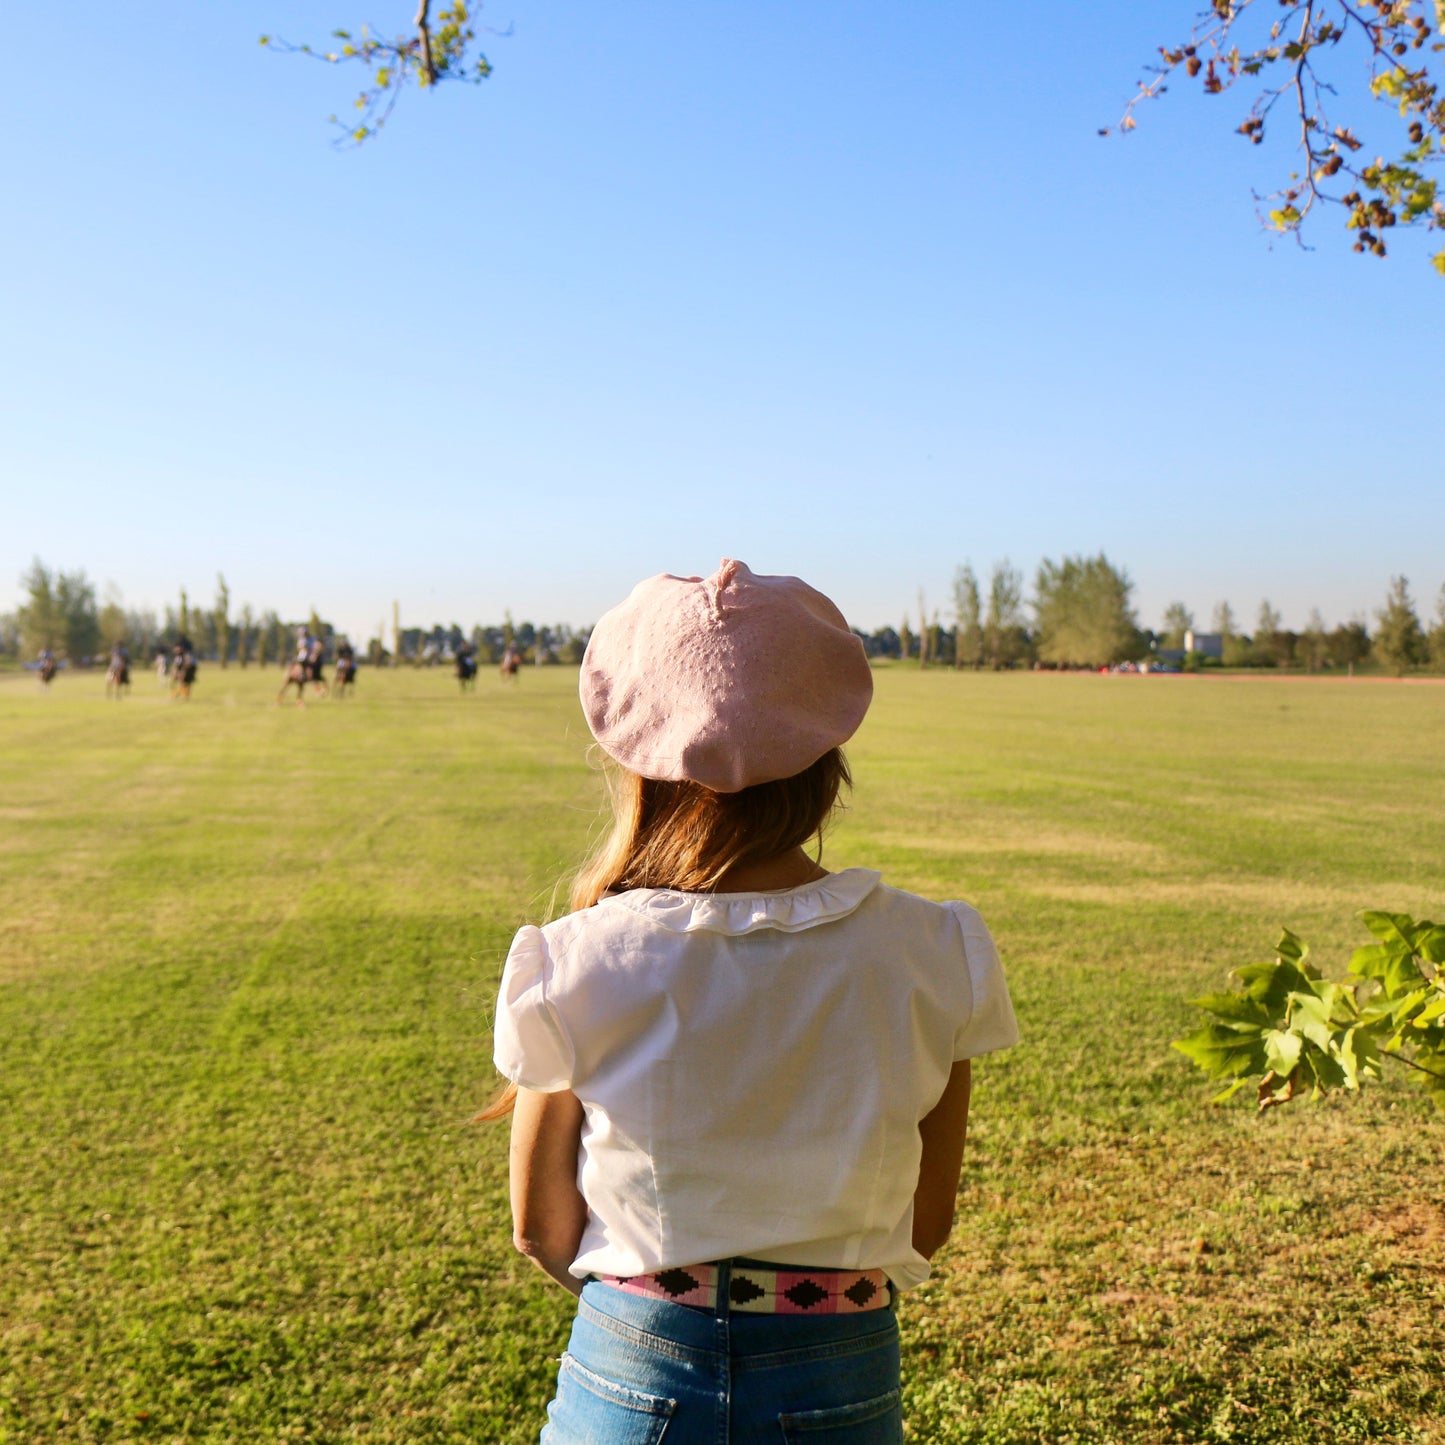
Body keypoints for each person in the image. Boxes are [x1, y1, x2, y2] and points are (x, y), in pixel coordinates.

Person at [484, 559, 1019, 1443]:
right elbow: (925, 1223)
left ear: (641, 767)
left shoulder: (578, 958)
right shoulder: (933, 947)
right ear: (825, 761)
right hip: (838, 1367)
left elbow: (543, 1227)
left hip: (632, 1362)